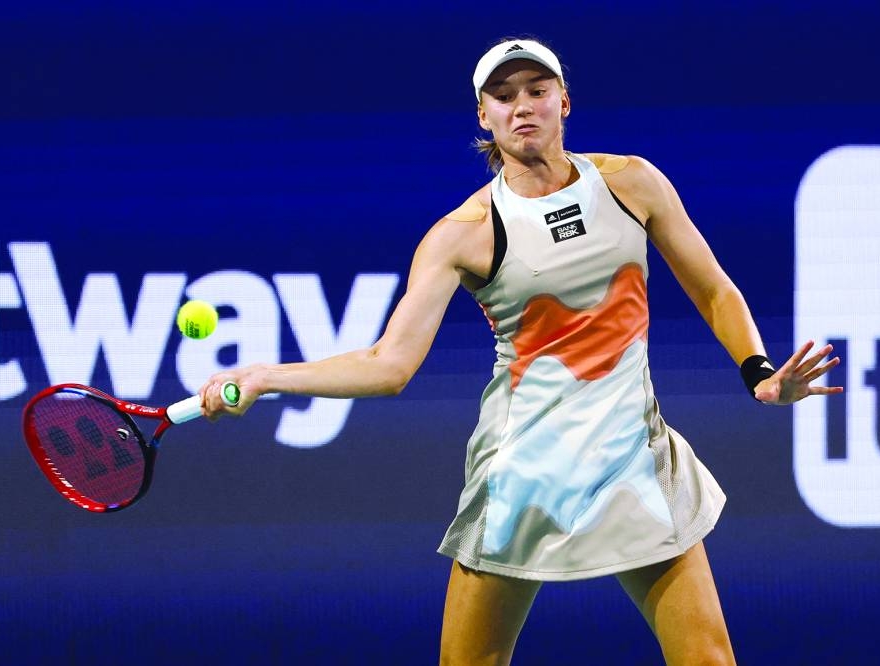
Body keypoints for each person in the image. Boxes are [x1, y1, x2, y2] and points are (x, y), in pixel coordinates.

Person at [199, 37, 842, 666]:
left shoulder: (632, 183)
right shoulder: (465, 233)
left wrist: (758, 372)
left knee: (707, 657)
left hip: (632, 460)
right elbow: (389, 365)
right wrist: (267, 375)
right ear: (484, 116)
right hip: (524, 476)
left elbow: (714, 289)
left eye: (538, 90)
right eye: (504, 96)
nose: (522, 105)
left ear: (565, 101)